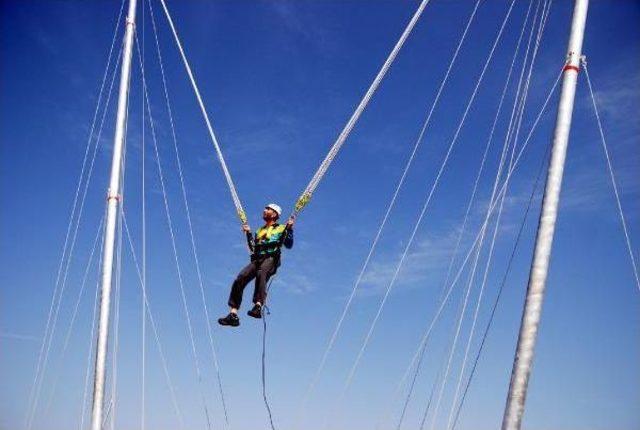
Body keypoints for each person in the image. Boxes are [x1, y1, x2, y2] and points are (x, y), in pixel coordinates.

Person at [218, 203, 294, 327]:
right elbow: (253, 248)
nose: (264, 210)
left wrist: (289, 230)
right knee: (240, 278)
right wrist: (248, 234)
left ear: (274, 214)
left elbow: (289, 245)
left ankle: (258, 306)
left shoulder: (282, 228)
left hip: (271, 258)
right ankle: (233, 314)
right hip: (257, 259)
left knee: (261, 272)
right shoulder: (259, 231)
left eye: (268, 209)